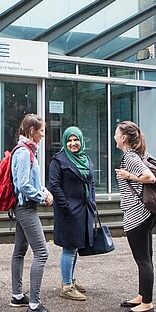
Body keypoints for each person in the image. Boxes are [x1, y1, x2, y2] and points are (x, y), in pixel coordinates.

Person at [113, 120, 156, 312]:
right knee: (146, 258)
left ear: (124, 138)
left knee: (142, 259)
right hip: (147, 213)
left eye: (116, 134)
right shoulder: (143, 154)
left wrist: (130, 176)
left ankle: (147, 304)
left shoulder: (130, 157)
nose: (114, 138)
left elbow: (151, 177)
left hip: (137, 214)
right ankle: (142, 296)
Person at [9, 114, 58, 312]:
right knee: (42, 253)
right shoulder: (23, 153)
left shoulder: (27, 151)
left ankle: (17, 295)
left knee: (20, 251)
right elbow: (23, 185)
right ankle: (34, 305)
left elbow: (31, 181)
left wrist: (44, 190)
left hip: (23, 207)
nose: (43, 134)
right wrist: (42, 197)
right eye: (41, 131)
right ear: (31, 131)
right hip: (26, 208)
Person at [48, 126, 96, 302]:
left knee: (75, 246)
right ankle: (67, 287)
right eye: (69, 140)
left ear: (81, 141)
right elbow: (54, 185)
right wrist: (66, 206)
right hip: (69, 211)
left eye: (76, 140)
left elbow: (91, 182)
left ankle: (69, 280)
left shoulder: (85, 158)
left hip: (84, 210)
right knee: (69, 247)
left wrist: (92, 202)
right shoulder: (58, 160)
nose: (73, 143)